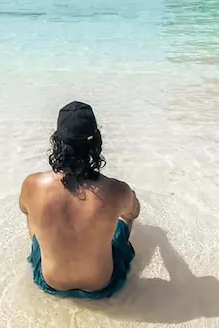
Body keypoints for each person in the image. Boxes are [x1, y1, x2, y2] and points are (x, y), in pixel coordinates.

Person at [18, 101, 141, 299]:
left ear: (57, 141)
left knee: (34, 214)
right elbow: (133, 212)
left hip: (50, 282)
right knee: (122, 223)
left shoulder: (33, 184)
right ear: (96, 142)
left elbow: (24, 210)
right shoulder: (116, 189)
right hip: (102, 285)